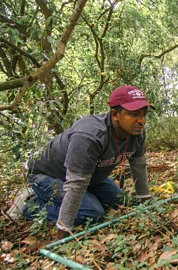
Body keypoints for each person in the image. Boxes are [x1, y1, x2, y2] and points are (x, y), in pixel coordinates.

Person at [7, 85, 155, 241]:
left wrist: (145, 201)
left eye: (144, 115)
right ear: (115, 114)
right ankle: (28, 204)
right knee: (92, 213)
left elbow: (138, 165)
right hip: (47, 174)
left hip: (90, 175)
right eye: (134, 114)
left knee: (120, 201)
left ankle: (85, 198)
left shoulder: (137, 133)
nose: (141, 121)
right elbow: (76, 184)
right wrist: (63, 234)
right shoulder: (89, 135)